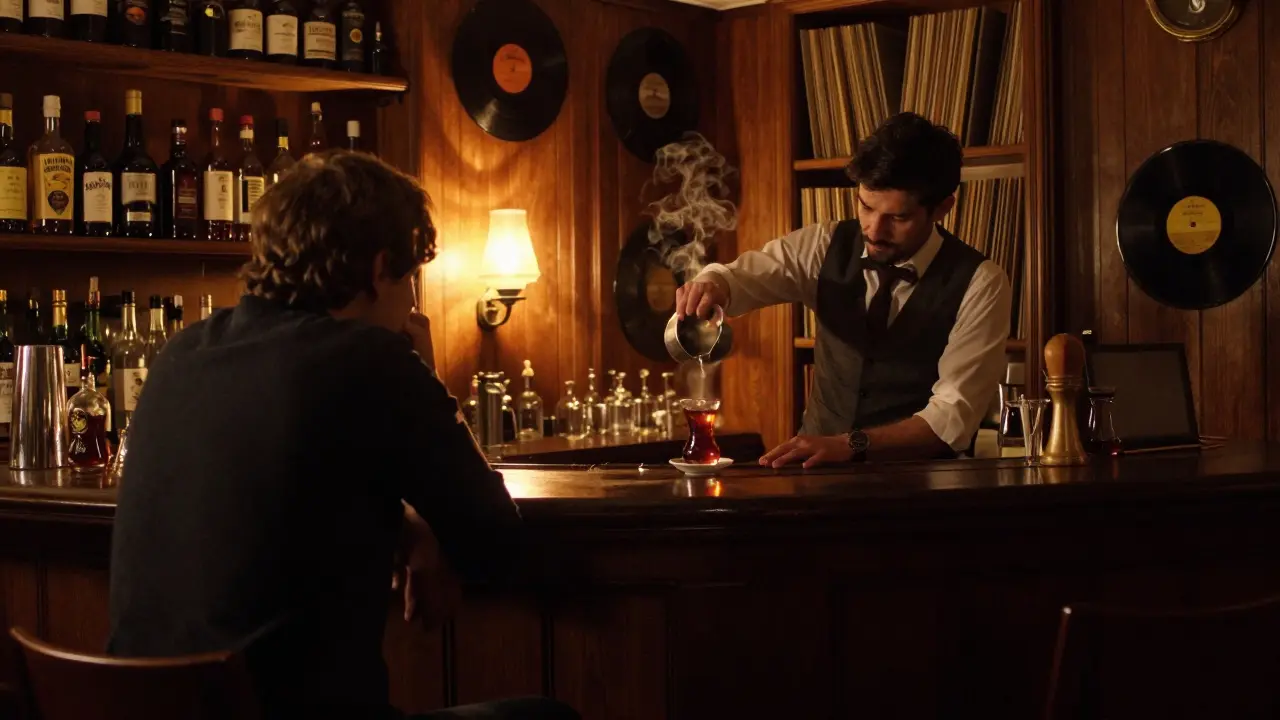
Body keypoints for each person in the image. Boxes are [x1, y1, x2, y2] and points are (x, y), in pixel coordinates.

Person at [107, 150, 580, 720]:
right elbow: (495, 541)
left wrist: (407, 525)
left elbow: (281, 496)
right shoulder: (370, 359)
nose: (412, 303)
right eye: (411, 278)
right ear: (380, 269)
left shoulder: (183, 351)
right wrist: (424, 378)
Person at [677, 112, 1013, 468]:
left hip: (919, 487)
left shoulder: (981, 282)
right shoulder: (822, 245)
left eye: (898, 217)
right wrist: (713, 284)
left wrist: (852, 445)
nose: (875, 230)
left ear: (943, 208)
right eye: (866, 206)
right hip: (814, 479)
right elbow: (741, 277)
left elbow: (952, 417)